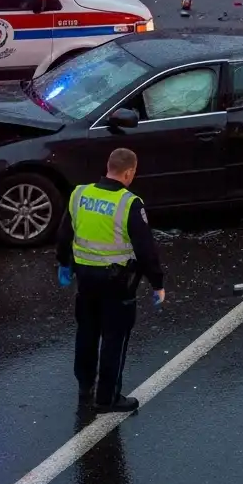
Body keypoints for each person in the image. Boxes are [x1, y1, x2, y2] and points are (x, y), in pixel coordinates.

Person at [55, 148, 166, 413]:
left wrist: (64, 263)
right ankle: (107, 398)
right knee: (115, 339)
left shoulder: (80, 194)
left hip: (85, 279)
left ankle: (85, 388)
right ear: (129, 172)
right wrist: (157, 283)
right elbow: (145, 249)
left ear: (108, 167)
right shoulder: (129, 203)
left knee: (87, 333)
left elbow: (64, 234)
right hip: (118, 283)